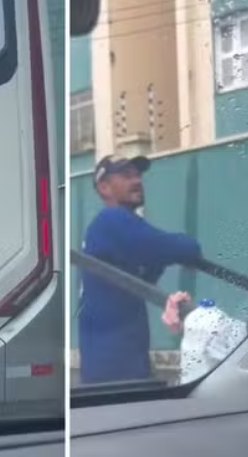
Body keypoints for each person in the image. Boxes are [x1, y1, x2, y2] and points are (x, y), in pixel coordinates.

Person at [77, 155, 203, 384]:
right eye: (126, 176)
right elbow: (167, 246)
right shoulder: (111, 219)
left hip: (112, 365)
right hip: (116, 372)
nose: (136, 180)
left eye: (137, 175)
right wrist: (187, 250)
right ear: (104, 187)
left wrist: (162, 259)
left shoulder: (111, 228)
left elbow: (142, 280)